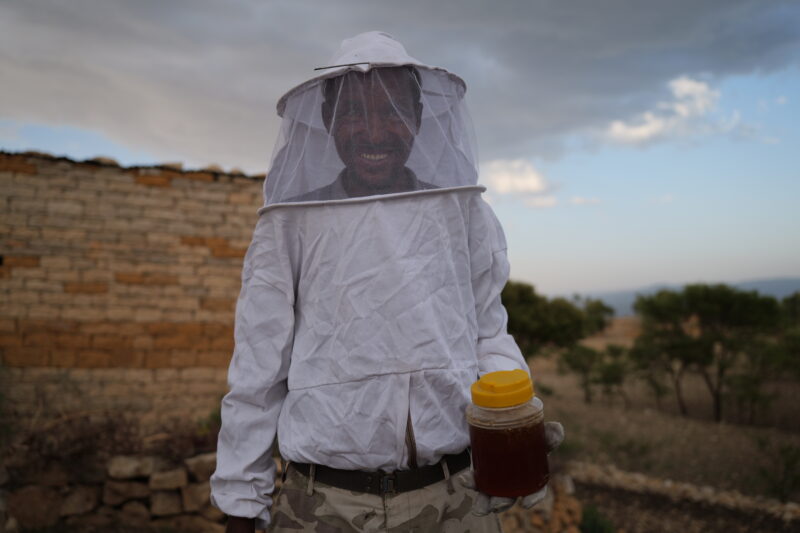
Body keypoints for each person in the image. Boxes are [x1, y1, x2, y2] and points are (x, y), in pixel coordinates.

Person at [210, 32, 564, 533]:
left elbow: (487, 331)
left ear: (418, 120)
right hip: (326, 505)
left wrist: (516, 424)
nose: (374, 132)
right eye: (354, 112)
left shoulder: (461, 211)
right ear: (329, 122)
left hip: (453, 499)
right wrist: (241, 502)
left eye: (394, 111)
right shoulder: (290, 223)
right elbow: (258, 364)